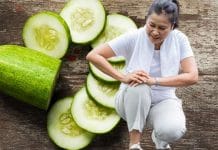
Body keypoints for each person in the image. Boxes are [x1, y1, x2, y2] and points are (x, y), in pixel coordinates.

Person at [86, 0, 198, 149]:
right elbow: (94, 55)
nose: (155, 31)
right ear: (146, 19)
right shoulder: (134, 36)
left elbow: (192, 76)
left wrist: (155, 81)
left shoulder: (180, 39)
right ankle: (134, 144)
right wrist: (123, 77)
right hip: (129, 101)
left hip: (163, 101)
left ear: (173, 26)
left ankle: (160, 140)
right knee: (140, 84)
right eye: (151, 25)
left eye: (162, 28)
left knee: (173, 130)